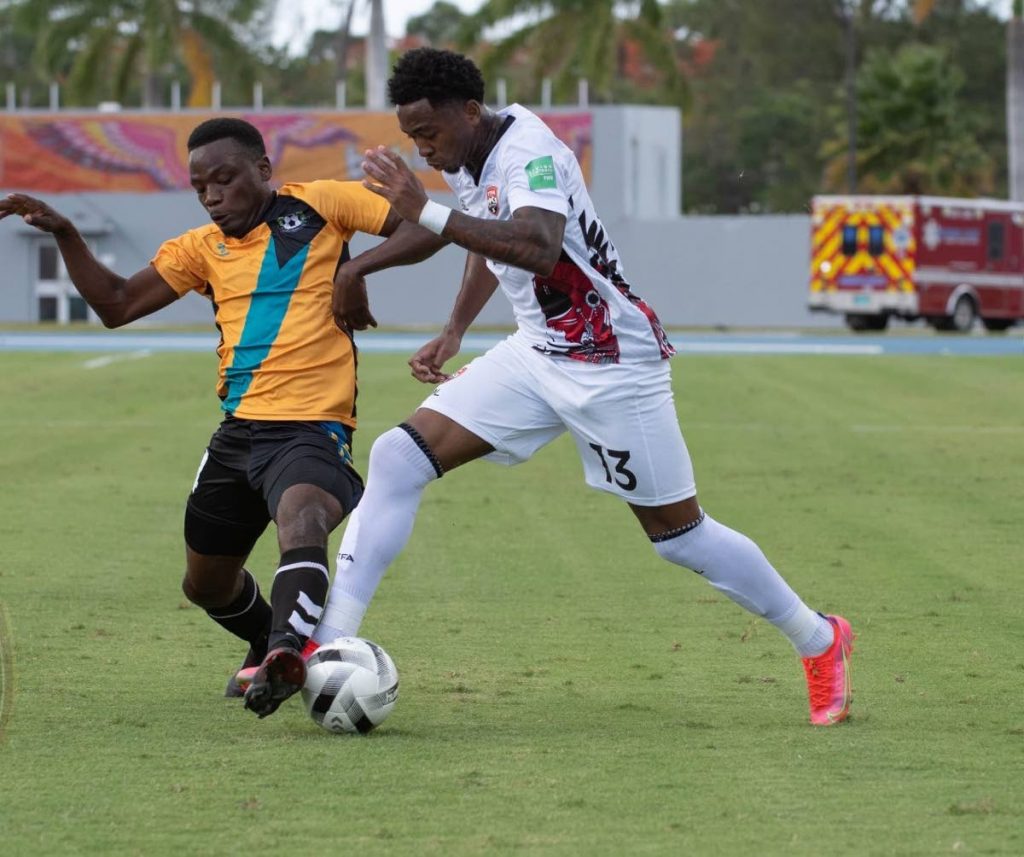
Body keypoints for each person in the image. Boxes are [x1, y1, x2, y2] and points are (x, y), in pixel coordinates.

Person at [309, 47, 855, 727]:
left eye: (430, 135)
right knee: (397, 456)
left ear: (470, 112)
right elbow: (487, 241)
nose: (423, 151)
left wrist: (424, 214)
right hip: (537, 355)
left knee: (678, 535)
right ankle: (326, 644)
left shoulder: (528, 150)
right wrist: (451, 328)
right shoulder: (473, 156)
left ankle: (821, 639)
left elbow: (535, 243)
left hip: (612, 364)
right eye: (414, 138)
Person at [0, 117, 444, 719]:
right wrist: (65, 232)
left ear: (263, 171)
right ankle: (266, 638)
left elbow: (429, 227)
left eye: (225, 179)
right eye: (200, 185)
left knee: (303, 514)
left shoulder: (321, 204)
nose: (211, 195)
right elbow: (117, 305)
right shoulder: (198, 250)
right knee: (205, 585)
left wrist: (354, 269)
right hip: (237, 435)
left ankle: (289, 652)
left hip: (312, 428)